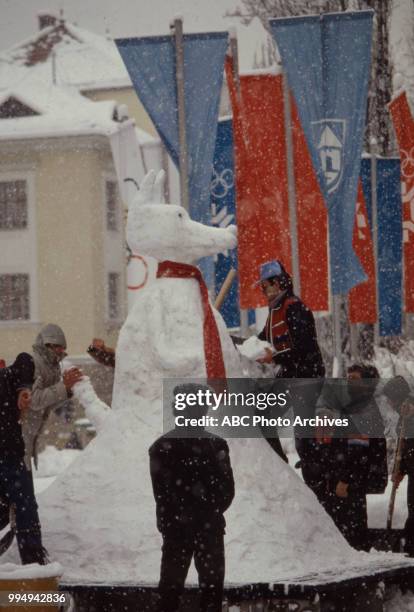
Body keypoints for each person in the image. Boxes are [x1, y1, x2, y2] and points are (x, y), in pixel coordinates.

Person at [149, 384, 235, 612]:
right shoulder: (216, 445)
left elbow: (161, 495)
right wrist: (207, 511)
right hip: (209, 527)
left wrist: (174, 518)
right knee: (211, 592)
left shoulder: (160, 447)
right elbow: (227, 492)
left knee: (169, 590)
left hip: (176, 528)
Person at [255, 260, 325, 473]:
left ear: (280, 282)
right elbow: (258, 341)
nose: (264, 290)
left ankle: (317, 474)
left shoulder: (294, 307)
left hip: (306, 375)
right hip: (289, 373)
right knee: (262, 411)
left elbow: (304, 348)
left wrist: (274, 357)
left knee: (304, 435)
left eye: (266, 285)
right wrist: (229, 341)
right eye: (262, 287)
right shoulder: (274, 311)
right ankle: (279, 465)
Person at [323, 364, 387, 551]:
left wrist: (344, 480)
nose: (349, 383)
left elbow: (358, 451)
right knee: (353, 527)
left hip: (351, 483)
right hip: (352, 480)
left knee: (352, 532)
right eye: (348, 378)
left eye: (354, 379)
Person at [0, 353, 49, 564]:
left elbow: (24, 360)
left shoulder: (6, 378)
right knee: (23, 508)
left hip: (11, 460)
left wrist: (23, 389)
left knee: (25, 509)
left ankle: (34, 563)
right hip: (10, 460)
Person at [22, 324, 83, 470]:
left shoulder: (53, 366)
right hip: (18, 437)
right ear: (46, 345)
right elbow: (34, 401)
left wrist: (68, 390)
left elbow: (48, 404)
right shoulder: (34, 363)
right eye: (57, 346)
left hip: (28, 438)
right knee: (21, 488)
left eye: (62, 347)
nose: (61, 350)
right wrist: (63, 386)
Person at [383, 375, 414, 557]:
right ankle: (409, 545)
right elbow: (405, 447)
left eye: (390, 399)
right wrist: (400, 470)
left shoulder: (409, 409)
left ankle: (409, 545)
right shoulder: (404, 416)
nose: (388, 403)